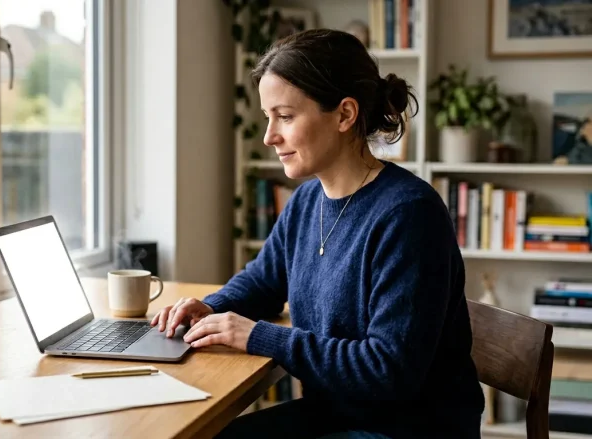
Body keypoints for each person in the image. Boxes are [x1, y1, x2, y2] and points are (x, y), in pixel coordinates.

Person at [150, 28, 485, 439]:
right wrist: (209, 310)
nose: (269, 136)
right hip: (337, 413)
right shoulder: (308, 200)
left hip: (406, 429)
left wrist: (259, 337)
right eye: (268, 117)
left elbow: (388, 371)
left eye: (285, 117)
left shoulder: (409, 215)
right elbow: (263, 282)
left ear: (345, 114)